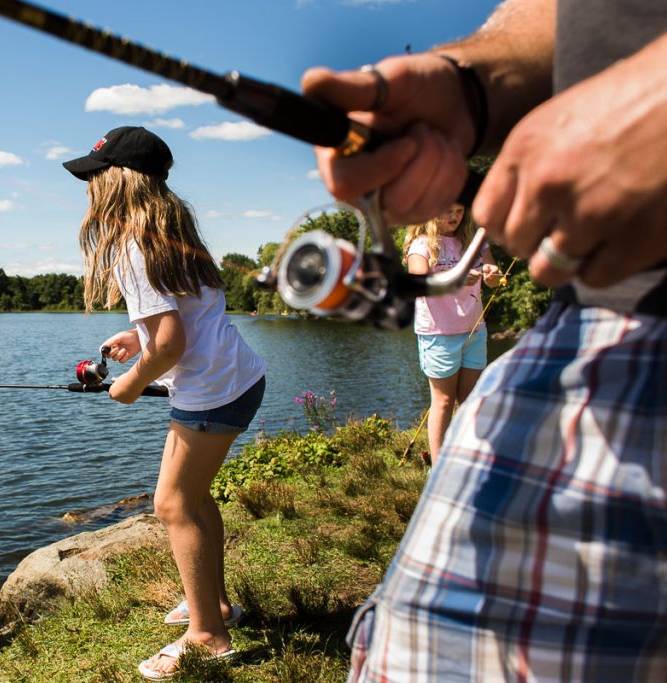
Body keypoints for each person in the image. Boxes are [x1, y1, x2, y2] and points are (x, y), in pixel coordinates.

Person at [299, 0, 667, 680]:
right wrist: (467, 80)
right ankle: (441, 463)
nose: (454, 210)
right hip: (568, 329)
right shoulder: (425, 243)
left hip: (520, 332)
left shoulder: (467, 235)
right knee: (449, 403)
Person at [62, 126, 267, 681]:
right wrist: (138, 340)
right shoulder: (175, 235)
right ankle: (216, 606)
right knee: (194, 501)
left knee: (173, 505)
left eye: (94, 176)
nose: (89, 187)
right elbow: (186, 320)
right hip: (239, 379)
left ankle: (208, 636)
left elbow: (173, 342)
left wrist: (128, 382)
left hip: (210, 392)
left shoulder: (131, 245)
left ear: (119, 181)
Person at [403, 203, 501, 464]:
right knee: (444, 402)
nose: (454, 216)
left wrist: (493, 275)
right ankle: (438, 468)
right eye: (447, 210)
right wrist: (456, 277)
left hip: (474, 332)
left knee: (470, 401)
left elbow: (494, 278)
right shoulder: (421, 245)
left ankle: (467, 459)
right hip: (439, 334)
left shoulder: (476, 243)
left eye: (459, 210)